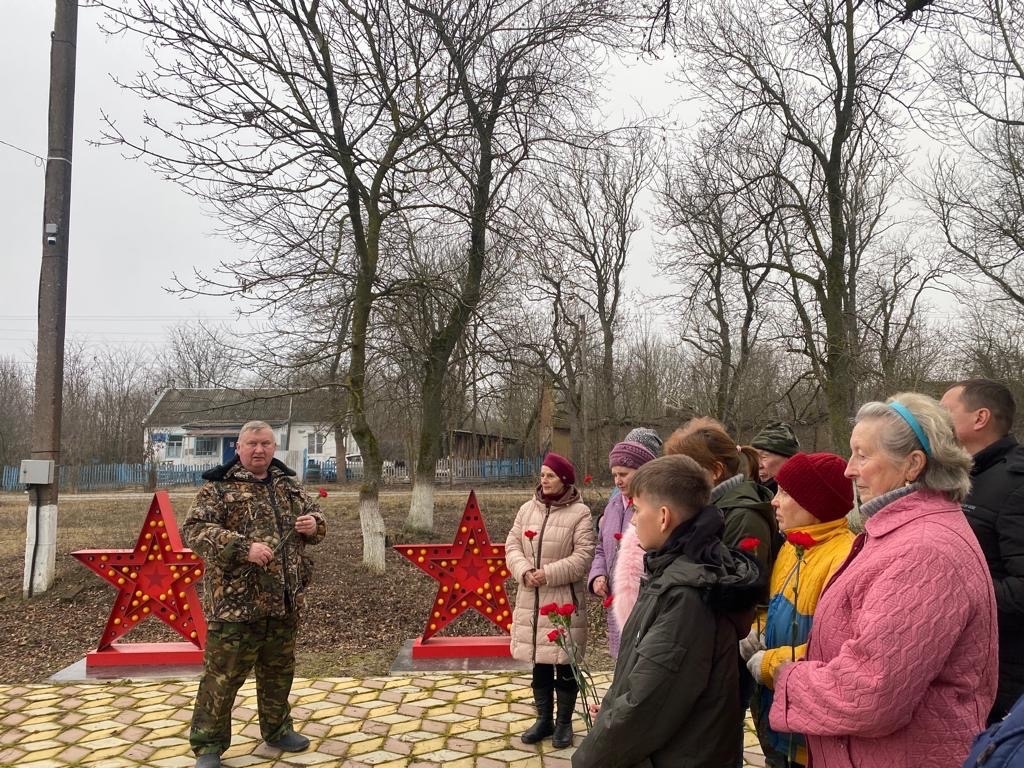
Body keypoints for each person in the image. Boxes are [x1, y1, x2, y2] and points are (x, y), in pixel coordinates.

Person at [769, 393, 998, 768]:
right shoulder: (900, 533)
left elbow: (871, 692)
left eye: (862, 455)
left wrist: (787, 678)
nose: (848, 470)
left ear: (912, 464)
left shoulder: (923, 552)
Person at [571, 454, 762, 767]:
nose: (632, 520)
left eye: (637, 509)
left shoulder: (686, 594)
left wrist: (588, 760)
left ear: (663, 517)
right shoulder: (676, 570)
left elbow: (645, 705)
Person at [183, 421, 327, 768]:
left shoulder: (289, 485)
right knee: (222, 677)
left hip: (283, 601)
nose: (259, 450)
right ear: (239, 446)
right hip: (236, 603)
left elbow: (318, 520)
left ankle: (277, 730)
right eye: (252, 444)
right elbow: (194, 530)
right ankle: (208, 747)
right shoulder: (217, 487)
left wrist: (314, 524)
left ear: (274, 447)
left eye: (265, 443)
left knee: (278, 672)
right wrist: (242, 547)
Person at [741, 453, 855, 767]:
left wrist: (769, 664)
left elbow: (837, 651)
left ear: (815, 503)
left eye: (786, 493)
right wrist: (755, 631)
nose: (774, 502)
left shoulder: (844, 558)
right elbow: (777, 609)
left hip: (813, 737)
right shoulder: (793, 546)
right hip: (779, 714)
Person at [941, 378, 1024, 723]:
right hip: (965, 667)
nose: (936, 420)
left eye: (945, 412)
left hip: (1003, 680)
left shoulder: (1016, 484)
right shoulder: (961, 476)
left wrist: (951, 596)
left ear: (980, 418)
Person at [505, 452, 595, 749]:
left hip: (562, 601)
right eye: (542, 474)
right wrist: (525, 570)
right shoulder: (526, 509)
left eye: (550, 475)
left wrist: (548, 573)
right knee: (540, 663)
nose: (544, 479)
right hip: (531, 597)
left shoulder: (580, 514)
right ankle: (543, 719)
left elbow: (583, 557)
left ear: (565, 480)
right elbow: (512, 546)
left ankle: (564, 724)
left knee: (564, 663)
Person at [664, 416, 776, 576]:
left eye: (684, 471)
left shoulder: (744, 517)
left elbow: (742, 588)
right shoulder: (705, 507)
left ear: (716, 471)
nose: (675, 481)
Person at [588, 440, 657, 657]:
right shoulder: (613, 506)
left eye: (624, 474)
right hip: (616, 602)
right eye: (614, 475)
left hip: (644, 602)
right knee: (621, 663)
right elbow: (601, 547)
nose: (617, 480)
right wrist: (598, 575)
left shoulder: (652, 507)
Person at [751, 421, 800, 493]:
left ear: (788, 460)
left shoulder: (801, 497)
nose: (759, 465)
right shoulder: (750, 494)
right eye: (755, 457)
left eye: (764, 457)